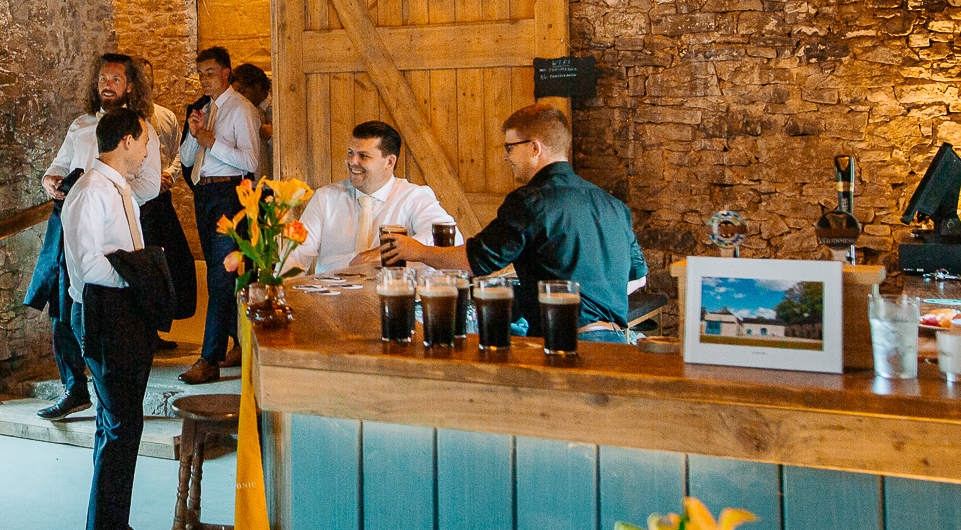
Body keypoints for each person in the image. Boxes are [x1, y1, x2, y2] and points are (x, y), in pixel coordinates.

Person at [387, 102, 647, 341]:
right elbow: (638, 277)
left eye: (510, 148)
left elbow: (473, 263)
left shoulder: (530, 201)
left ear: (535, 148)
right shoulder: (614, 206)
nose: (505, 157)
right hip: (618, 342)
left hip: (564, 342)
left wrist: (417, 251)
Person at [61, 107, 167, 530]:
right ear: (125, 141)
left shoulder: (119, 188)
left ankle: (116, 524)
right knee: (119, 425)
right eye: (144, 141)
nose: (147, 150)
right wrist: (140, 276)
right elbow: (89, 266)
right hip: (106, 314)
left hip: (127, 312)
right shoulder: (88, 193)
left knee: (125, 424)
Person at [27, 54, 162, 420]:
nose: (107, 84)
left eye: (116, 79)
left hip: (111, 220)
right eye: (103, 78)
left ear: (130, 85)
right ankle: (74, 386)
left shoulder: (140, 130)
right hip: (69, 218)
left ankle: (109, 387)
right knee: (63, 304)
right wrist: (51, 181)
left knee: (102, 301)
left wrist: (103, 187)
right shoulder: (81, 125)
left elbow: (150, 185)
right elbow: (58, 166)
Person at [177, 46, 262, 385]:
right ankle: (239, 343)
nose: (204, 80)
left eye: (210, 73)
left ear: (226, 73)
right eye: (200, 74)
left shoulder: (241, 110)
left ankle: (209, 358)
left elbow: (251, 162)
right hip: (204, 193)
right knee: (219, 273)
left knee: (220, 276)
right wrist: (195, 133)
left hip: (230, 195)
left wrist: (212, 142)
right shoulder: (203, 110)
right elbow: (185, 158)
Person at [293, 121, 454, 275]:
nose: (352, 161)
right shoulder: (325, 197)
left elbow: (445, 237)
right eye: (351, 153)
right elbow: (295, 257)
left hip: (392, 295)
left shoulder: (413, 196)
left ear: (389, 162)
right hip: (332, 296)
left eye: (363, 156)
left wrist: (385, 252)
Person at [135, 60, 197, 348]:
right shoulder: (124, 120)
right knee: (142, 266)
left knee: (171, 265)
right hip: (135, 204)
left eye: (150, 77)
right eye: (141, 78)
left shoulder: (166, 116)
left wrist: (168, 177)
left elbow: (175, 152)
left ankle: (158, 327)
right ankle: (141, 331)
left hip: (161, 198)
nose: (147, 83)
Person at [229, 63, 273, 180]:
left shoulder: (278, 110)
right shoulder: (242, 111)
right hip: (252, 182)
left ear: (257, 86)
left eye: (243, 91)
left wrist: (271, 137)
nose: (240, 98)